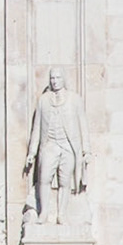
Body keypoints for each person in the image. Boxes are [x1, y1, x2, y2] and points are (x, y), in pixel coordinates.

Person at [24, 69, 88, 225]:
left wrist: (87, 150)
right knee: (44, 178)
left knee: (65, 181)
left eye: (58, 77)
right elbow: (37, 128)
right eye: (52, 78)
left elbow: (83, 126)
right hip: (50, 145)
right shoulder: (43, 100)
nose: (54, 81)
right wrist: (32, 152)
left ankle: (62, 214)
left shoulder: (74, 99)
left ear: (63, 79)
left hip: (68, 145)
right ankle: (44, 212)